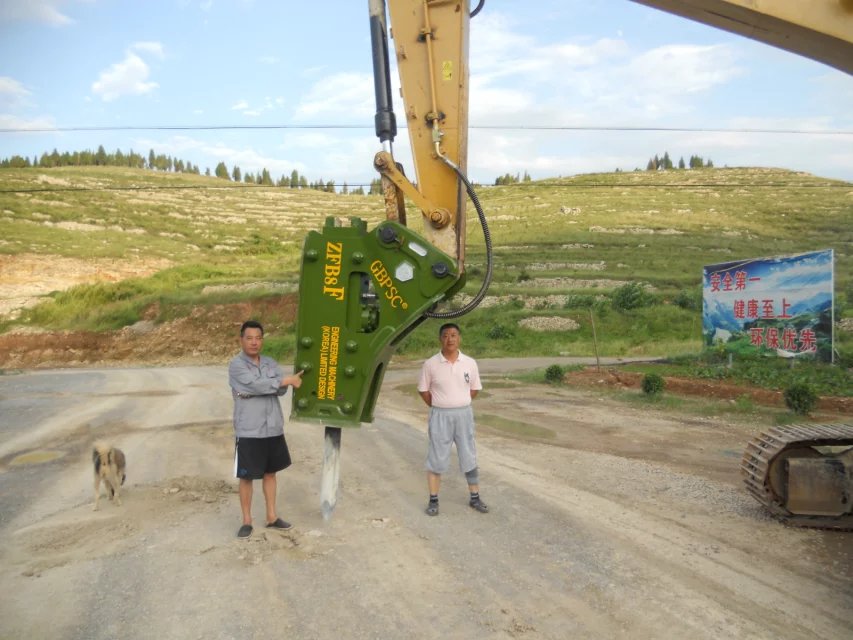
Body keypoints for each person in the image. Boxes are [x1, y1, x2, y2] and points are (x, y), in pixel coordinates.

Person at [228, 320, 303, 539]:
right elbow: (254, 385)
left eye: (258, 338)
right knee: (247, 476)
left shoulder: (270, 363)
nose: (254, 342)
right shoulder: (237, 365)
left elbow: (278, 392)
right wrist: (280, 382)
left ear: (262, 340)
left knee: (271, 473)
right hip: (249, 429)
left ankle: (271, 517)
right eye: (249, 338)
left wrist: (271, 385)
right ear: (241, 340)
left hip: (273, 427)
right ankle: (246, 521)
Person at [417, 322, 488, 517]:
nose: (450, 339)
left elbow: (474, 389)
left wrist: (459, 402)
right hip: (440, 415)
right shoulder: (431, 364)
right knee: (436, 457)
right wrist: (441, 405)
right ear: (440, 339)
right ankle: (433, 500)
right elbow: (424, 390)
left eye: (454, 335)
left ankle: (475, 498)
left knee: (468, 453)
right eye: (446, 335)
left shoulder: (469, 363)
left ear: (459, 338)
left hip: (464, 414)